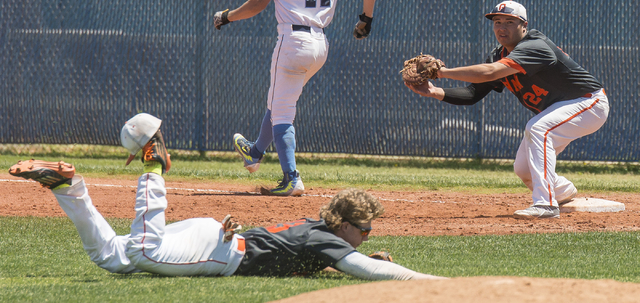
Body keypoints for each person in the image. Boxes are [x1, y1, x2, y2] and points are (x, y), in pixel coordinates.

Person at [8, 113, 444, 280]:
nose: (366, 237)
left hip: (214, 237)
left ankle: (69, 188)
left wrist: (349, 264)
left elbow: (332, 266)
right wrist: (444, 288)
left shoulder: (318, 233)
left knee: (111, 256)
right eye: (364, 229)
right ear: (346, 224)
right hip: (218, 251)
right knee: (142, 250)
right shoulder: (327, 241)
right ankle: (152, 163)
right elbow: (377, 275)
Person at [213, 0, 378, 196]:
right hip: (320, 46)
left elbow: (257, 3)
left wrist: (227, 16)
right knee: (279, 102)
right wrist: (366, 20)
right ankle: (254, 152)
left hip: (293, 41)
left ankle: (292, 178)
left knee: (283, 111)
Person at [405, 0, 609, 220]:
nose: (501, 27)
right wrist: (435, 91)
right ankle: (562, 192)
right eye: (497, 22)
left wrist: (442, 72)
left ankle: (546, 205)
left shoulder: (535, 46)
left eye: (509, 22)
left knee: (538, 129)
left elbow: (490, 72)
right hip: (561, 109)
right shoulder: (498, 54)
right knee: (523, 169)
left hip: (589, 103)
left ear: (524, 25)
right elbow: (473, 94)